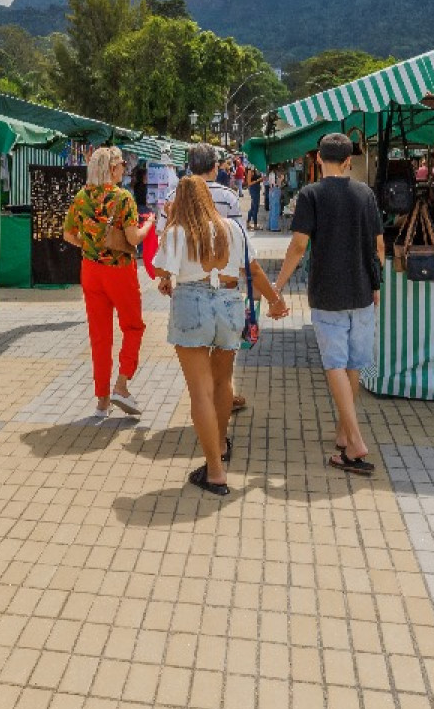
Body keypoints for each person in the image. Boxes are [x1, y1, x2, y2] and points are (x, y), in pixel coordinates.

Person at [155, 176, 286, 495]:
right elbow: (252, 271)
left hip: (191, 303)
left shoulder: (176, 232)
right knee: (223, 381)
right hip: (229, 303)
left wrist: (171, 222)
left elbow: (161, 271)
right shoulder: (233, 228)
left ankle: (215, 470)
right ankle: (222, 443)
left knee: (200, 391)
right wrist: (275, 300)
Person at [274, 132, 383, 475]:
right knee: (352, 364)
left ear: (318, 159)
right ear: (349, 161)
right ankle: (342, 434)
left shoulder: (311, 195)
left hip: (328, 292)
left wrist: (277, 286)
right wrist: (376, 284)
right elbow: (378, 247)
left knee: (335, 363)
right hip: (362, 291)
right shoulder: (365, 194)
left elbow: (298, 247)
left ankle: (355, 440)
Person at [63, 146, 151, 416]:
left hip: (90, 270)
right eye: (122, 163)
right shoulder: (123, 198)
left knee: (100, 335)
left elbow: (68, 235)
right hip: (119, 271)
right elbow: (134, 238)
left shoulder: (82, 197)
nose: (126, 167)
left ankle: (101, 399)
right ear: (112, 168)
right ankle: (121, 385)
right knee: (133, 326)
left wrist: (90, 247)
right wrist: (150, 224)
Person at [179, 144, 251, 411]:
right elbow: (241, 242)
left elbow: (167, 237)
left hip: (188, 285)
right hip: (225, 285)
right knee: (223, 356)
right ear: (215, 167)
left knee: (197, 348)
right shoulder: (230, 197)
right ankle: (221, 399)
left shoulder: (178, 194)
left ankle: (208, 403)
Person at [265, 166, 285, 232]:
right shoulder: (276, 173)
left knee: (271, 209)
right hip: (276, 190)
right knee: (275, 209)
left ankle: (269, 225)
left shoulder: (270, 173)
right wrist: (282, 178)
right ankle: (274, 227)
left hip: (271, 190)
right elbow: (279, 182)